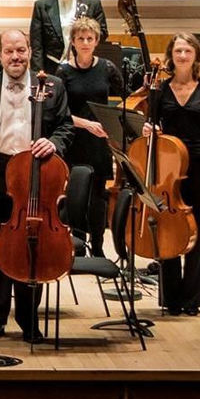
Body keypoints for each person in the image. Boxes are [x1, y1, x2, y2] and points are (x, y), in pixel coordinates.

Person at [0, 29, 73, 342]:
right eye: (9, 51)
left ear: (30, 52)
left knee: (30, 249)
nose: (16, 57)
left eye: (21, 50)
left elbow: (66, 126)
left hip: (34, 180)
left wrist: (53, 143)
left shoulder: (51, 86)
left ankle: (28, 320)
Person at [143, 33, 200, 315]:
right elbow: (151, 124)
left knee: (197, 234)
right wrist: (148, 129)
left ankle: (192, 299)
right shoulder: (160, 89)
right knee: (168, 230)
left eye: (187, 51)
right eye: (178, 51)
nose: (183, 56)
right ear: (170, 56)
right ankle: (171, 298)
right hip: (169, 169)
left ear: (197, 56)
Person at [56, 16, 124, 258]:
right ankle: (77, 246)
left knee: (98, 197)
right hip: (73, 139)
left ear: (96, 41)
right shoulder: (63, 72)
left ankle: (97, 248)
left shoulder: (107, 68)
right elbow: (59, 112)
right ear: (73, 41)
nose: (85, 42)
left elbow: (125, 98)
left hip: (98, 142)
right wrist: (86, 124)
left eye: (90, 38)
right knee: (77, 195)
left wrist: (111, 124)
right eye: (80, 38)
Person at [29, 0, 107, 73]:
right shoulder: (41, 5)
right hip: (52, 67)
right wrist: (37, 73)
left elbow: (103, 33)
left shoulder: (92, 3)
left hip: (83, 66)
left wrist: (84, 30)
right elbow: (36, 44)